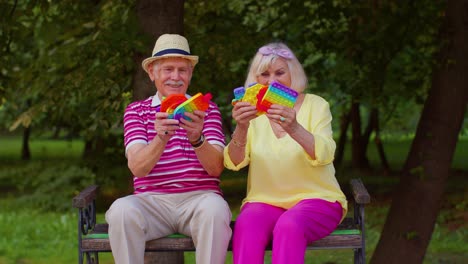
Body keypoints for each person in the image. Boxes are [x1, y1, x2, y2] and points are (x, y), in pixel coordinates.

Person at [105, 34, 232, 264]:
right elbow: (137, 168)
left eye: (182, 70)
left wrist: (197, 138)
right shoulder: (136, 111)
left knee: (215, 209)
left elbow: (215, 169)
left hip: (199, 200)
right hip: (152, 202)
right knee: (120, 210)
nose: (176, 77)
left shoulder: (207, 110)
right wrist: (160, 138)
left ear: (190, 74)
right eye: (168, 69)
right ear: (152, 73)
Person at [224, 42, 348, 264]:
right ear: (256, 78)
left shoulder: (316, 105)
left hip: (318, 199)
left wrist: (294, 128)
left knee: (289, 225)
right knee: (247, 225)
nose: (272, 81)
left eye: (280, 72)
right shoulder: (252, 113)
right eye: (264, 74)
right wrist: (241, 127)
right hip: (264, 201)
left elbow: (326, 153)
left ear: (294, 73)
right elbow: (234, 162)